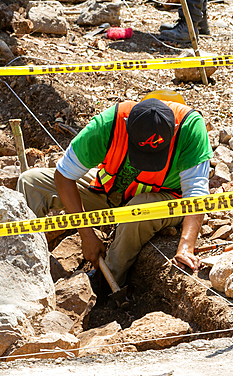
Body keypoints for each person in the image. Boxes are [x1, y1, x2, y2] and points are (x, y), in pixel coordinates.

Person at [16, 95, 212, 288]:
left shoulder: (190, 129)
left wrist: (186, 246)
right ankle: (21, 268)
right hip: (111, 190)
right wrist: (87, 235)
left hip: (162, 199)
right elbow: (64, 175)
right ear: (127, 127)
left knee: (137, 211)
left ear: (174, 130)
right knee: (31, 182)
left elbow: (196, 193)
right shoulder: (108, 125)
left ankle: (104, 283)